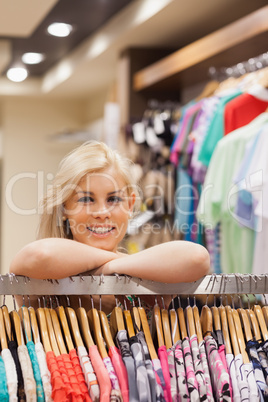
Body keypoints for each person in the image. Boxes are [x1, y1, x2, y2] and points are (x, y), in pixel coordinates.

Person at [10, 141, 210, 312]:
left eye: (113, 199)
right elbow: (40, 255)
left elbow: (196, 257)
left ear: (130, 205)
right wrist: (115, 262)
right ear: (64, 208)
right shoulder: (42, 278)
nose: (102, 212)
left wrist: (112, 266)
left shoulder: (144, 275)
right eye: (87, 199)